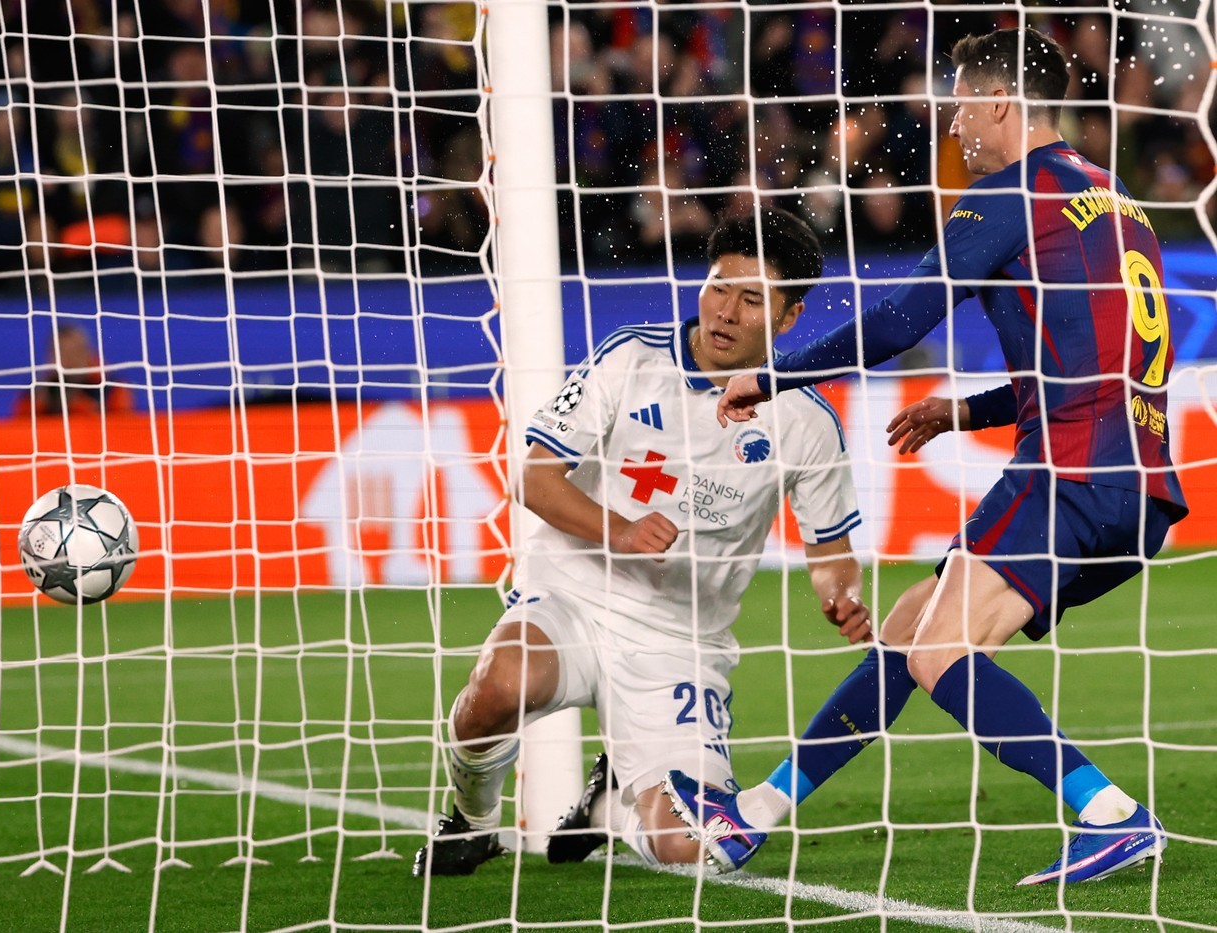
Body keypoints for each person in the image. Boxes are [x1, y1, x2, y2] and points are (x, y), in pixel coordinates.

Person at [676, 26, 1184, 886]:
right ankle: (754, 814)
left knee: (939, 650)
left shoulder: (1004, 197)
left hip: (1067, 474)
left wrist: (770, 373)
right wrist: (965, 408)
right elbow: (1097, 365)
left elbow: (897, 322)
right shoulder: (1116, 198)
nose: (951, 125)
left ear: (999, 101)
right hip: (1140, 487)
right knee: (912, 621)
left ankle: (1111, 814)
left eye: (959, 103)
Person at [412, 208, 872, 878]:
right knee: (500, 685)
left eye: (751, 299)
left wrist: (842, 596)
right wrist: (619, 530)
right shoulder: (632, 357)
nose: (724, 311)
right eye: (718, 287)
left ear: (788, 317)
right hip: (574, 594)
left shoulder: (805, 422)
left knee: (695, 850)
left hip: (678, 643)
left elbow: (830, 548)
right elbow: (534, 478)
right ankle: (474, 821)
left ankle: (613, 807)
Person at [19, 323, 133, 416]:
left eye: (76, 351)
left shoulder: (112, 389)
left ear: (88, 352)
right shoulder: (35, 395)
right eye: (62, 352)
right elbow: (20, 428)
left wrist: (80, 405)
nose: (70, 358)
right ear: (51, 356)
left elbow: (120, 428)